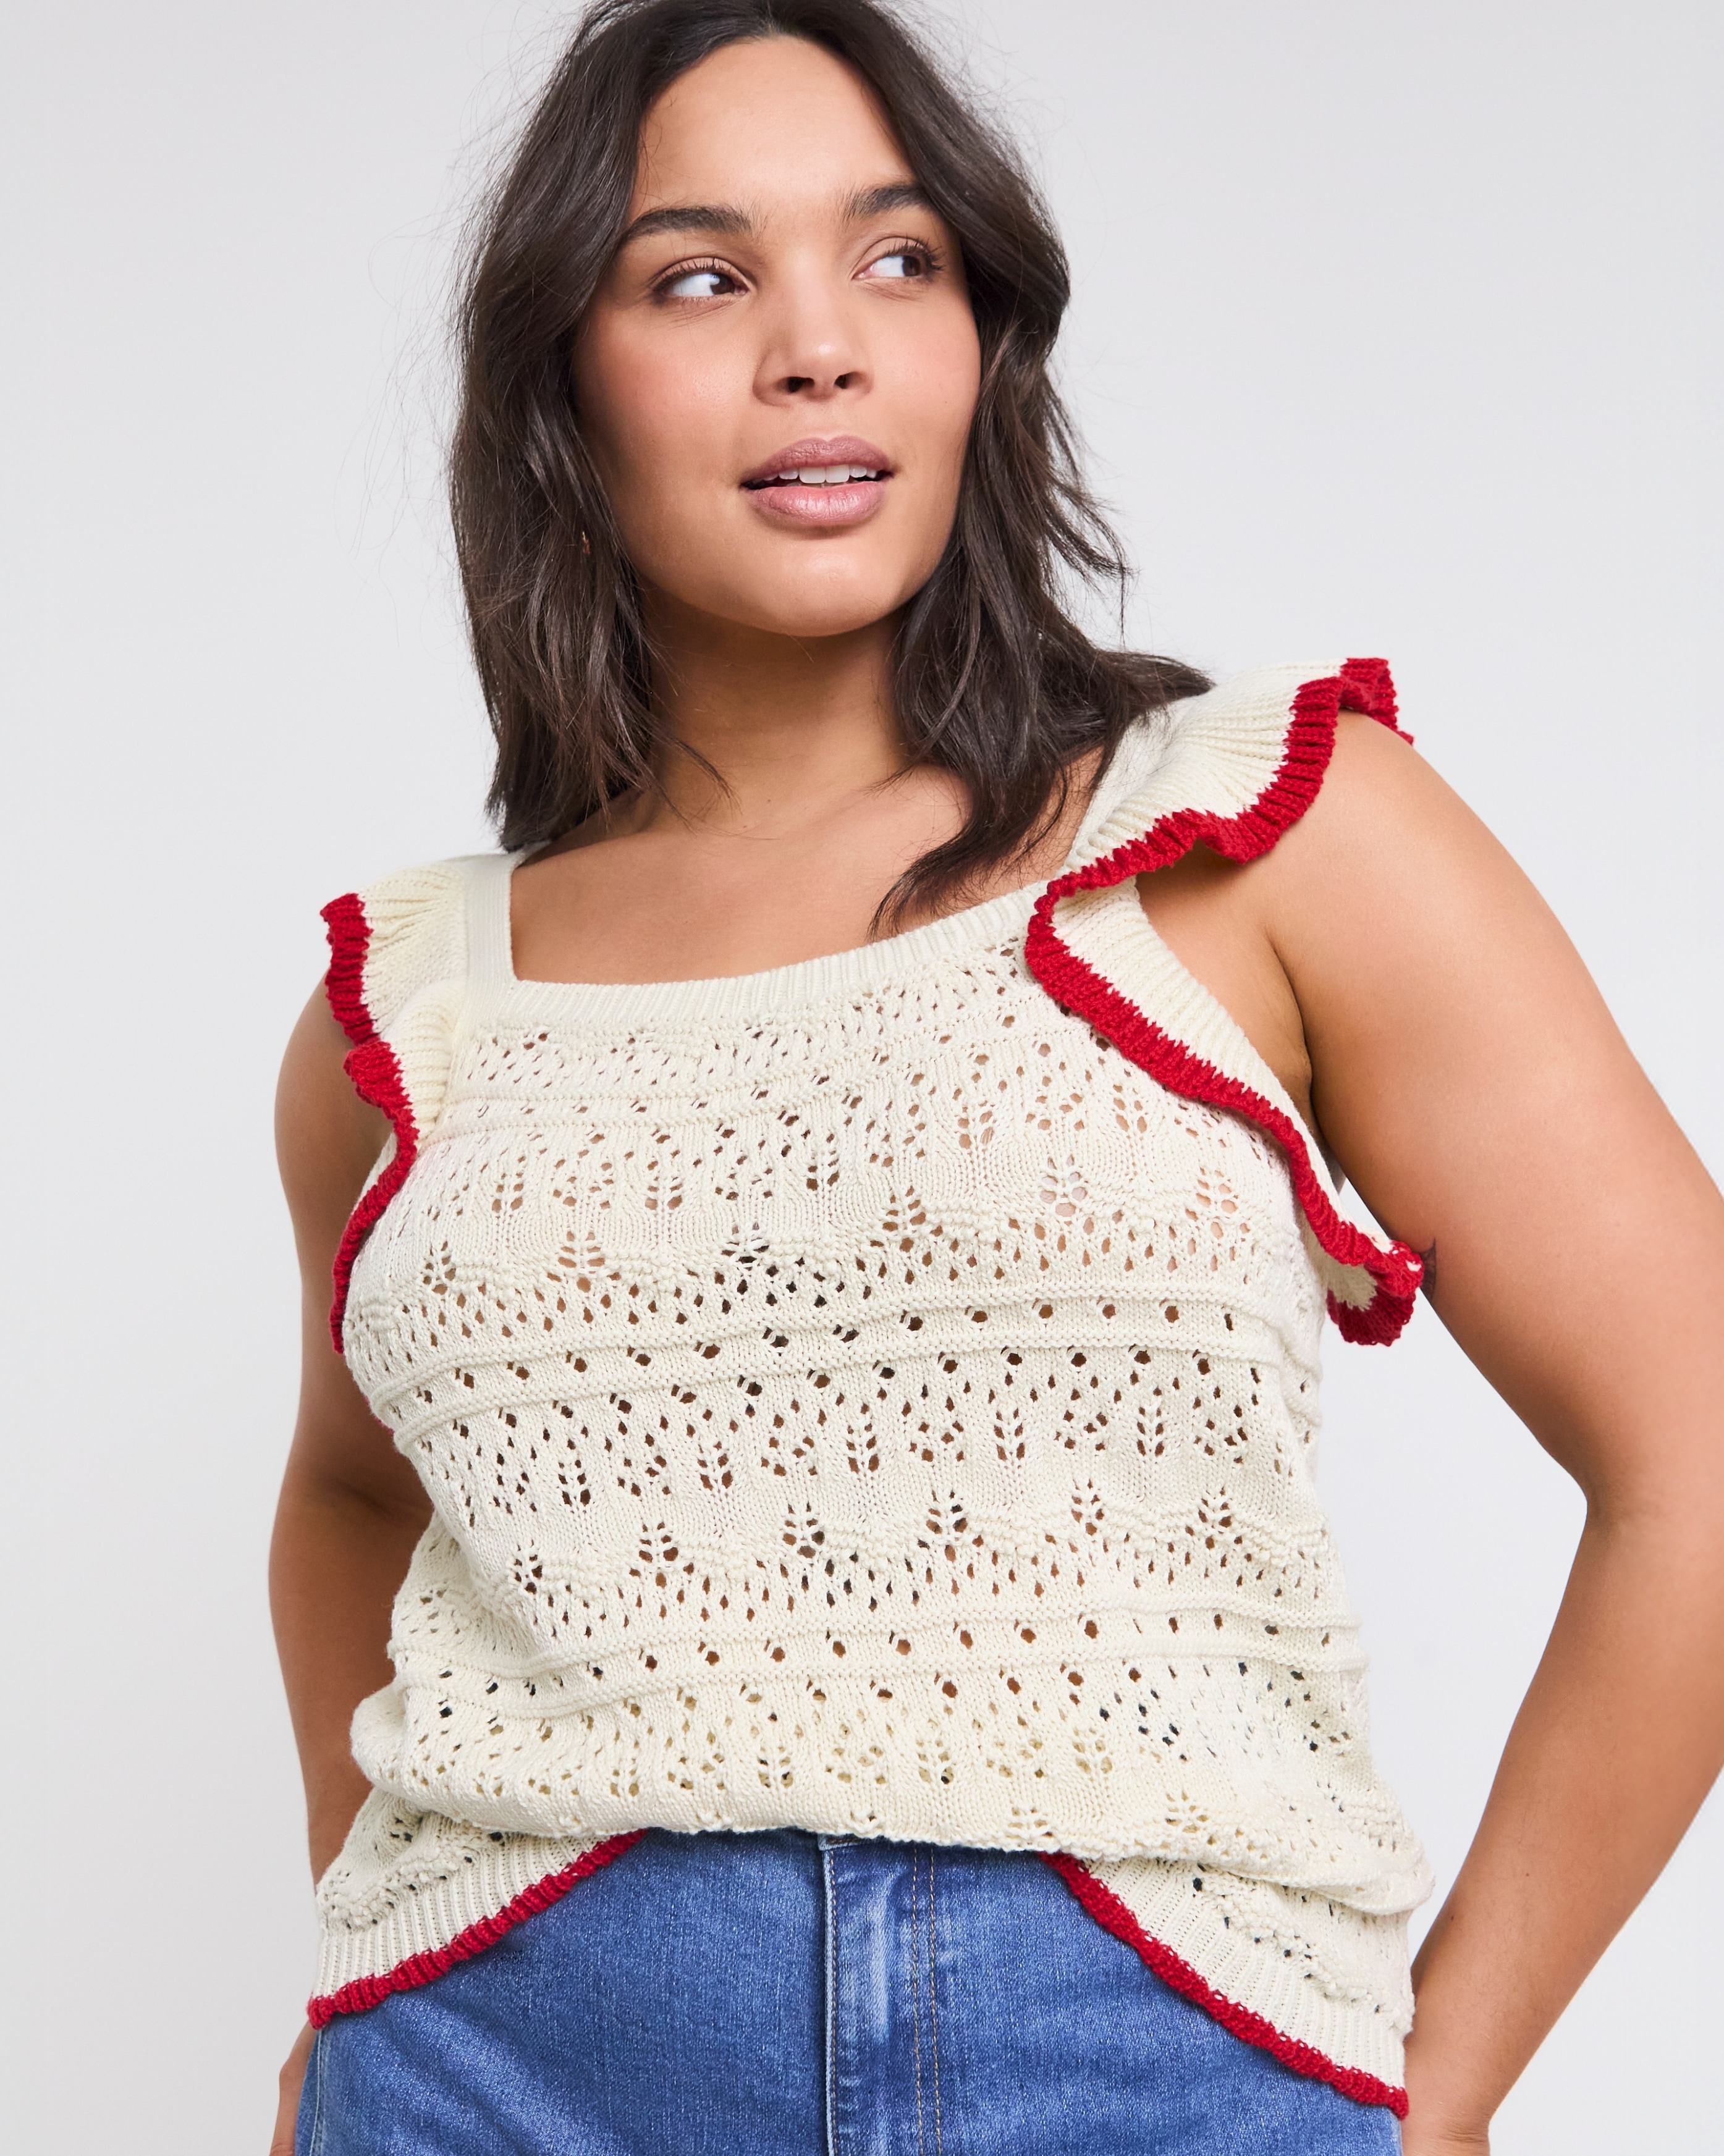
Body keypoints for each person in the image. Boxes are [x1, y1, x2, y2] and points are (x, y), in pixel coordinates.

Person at [268, 2, 1724, 2150]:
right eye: (697, 274)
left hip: (1153, 2059)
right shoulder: (410, 1012)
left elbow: (1698, 1442)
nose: (817, 348)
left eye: (896, 257)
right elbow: (350, 1493)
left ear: (980, 340)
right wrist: (372, 1951)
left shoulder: (1252, 839)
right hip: (512, 2074)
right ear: (563, 382)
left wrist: (1452, 2092)